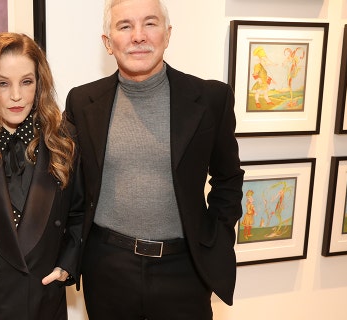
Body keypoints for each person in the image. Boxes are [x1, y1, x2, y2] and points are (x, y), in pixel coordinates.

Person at [63, 0, 245, 319]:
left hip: (185, 271)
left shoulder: (211, 100)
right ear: (108, 43)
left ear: (167, 33)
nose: (138, 36)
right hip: (106, 269)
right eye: (124, 26)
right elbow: (65, 185)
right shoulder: (82, 102)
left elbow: (228, 179)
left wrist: (214, 237)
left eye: (150, 23)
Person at [0, 32, 84, 320]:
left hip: (43, 302)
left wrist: (67, 264)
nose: (17, 96)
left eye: (26, 82)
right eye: (2, 84)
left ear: (39, 84)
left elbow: (80, 212)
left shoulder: (64, 142)